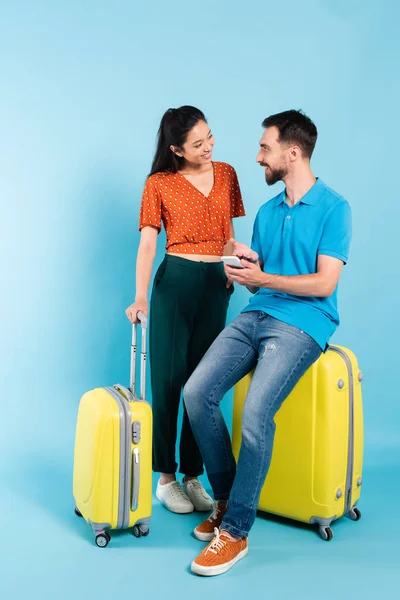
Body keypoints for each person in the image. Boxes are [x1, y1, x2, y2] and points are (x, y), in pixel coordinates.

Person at [184, 109, 352, 576]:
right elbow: (259, 283)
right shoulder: (267, 211)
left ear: (291, 152)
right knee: (197, 393)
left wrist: (265, 277)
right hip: (257, 314)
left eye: (265, 148)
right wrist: (240, 267)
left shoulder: (335, 208)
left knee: (257, 413)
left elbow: (323, 284)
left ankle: (235, 533)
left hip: (303, 324)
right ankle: (225, 499)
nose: (258, 157)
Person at [126, 106, 245, 515]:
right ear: (176, 149)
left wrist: (232, 266)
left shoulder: (227, 173)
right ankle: (166, 477)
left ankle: (194, 474)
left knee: (203, 383)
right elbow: (147, 243)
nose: (209, 147)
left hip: (216, 287)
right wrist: (140, 297)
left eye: (210, 137)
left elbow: (229, 233)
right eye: (198, 144)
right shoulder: (159, 183)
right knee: (169, 381)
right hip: (175, 284)